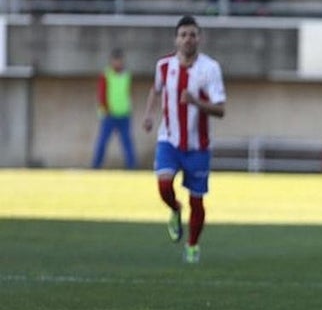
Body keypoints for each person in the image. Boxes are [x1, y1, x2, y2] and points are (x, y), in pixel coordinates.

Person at [142, 16, 227, 264]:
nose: (188, 39)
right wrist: (148, 114)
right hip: (168, 139)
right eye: (183, 35)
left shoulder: (210, 68)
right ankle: (175, 209)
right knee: (164, 186)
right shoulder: (164, 66)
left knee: (197, 200)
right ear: (176, 39)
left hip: (198, 146)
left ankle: (192, 245)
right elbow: (156, 89)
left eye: (192, 35)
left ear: (199, 38)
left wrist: (196, 102)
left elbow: (221, 109)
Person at [91, 48, 137, 169]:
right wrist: (105, 109)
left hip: (124, 114)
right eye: (115, 60)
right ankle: (95, 166)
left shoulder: (127, 75)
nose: (118, 63)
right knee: (102, 141)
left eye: (120, 60)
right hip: (109, 115)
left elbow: (128, 92)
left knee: (127, 142)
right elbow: (101, 94)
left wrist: (129, 109)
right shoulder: (106, 75)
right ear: (111, 61)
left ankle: (132, 167)